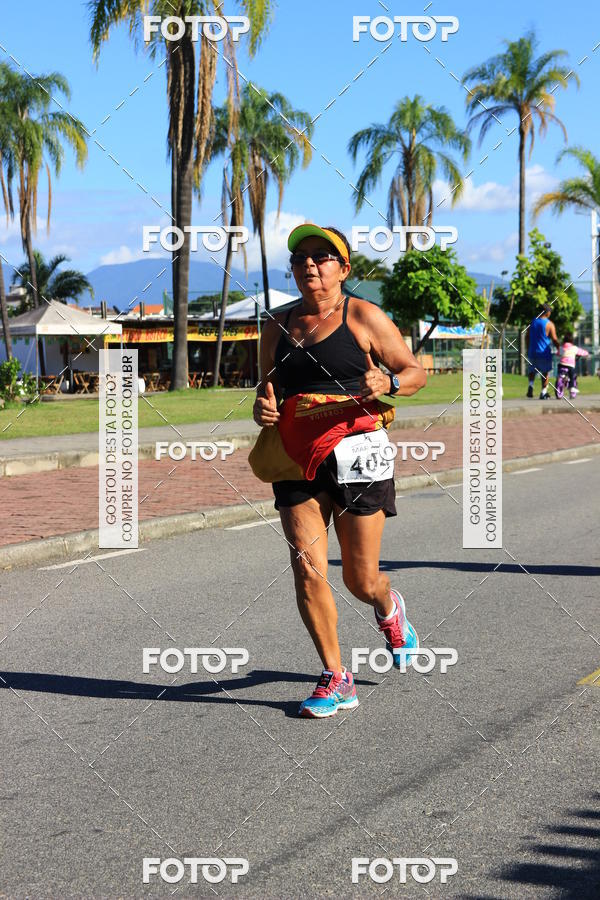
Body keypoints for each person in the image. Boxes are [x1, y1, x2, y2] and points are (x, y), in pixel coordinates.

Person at [252, 223, 427, 718]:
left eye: (322, 255)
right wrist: (263, 407)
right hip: (296, 456)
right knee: (307, 567)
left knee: (359, 579)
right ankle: (336, 676)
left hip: (358, 453)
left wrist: (389, 382)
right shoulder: (276, 326)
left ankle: (388, 606)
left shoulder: (363, 315)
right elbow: (266, 389)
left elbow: (415, 372)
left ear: (344, 268)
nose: (309, 263)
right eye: (300, 257)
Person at [526, 303, 559, 399]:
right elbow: (554, 339)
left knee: (532, 371)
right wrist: (559, 348)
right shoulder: (549, 324)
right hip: (544, 353)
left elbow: (527, 336)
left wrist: (528, 348)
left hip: (532, 352)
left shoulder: (532, 322)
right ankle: (543, 391)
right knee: (545, 372)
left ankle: (531, 386)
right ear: (547, 312)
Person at [556, 332, 589, 399]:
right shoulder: (574, 348)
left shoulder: (562, 347)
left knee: (560, 373)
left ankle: (561, 380)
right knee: (572, 376)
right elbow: (583, 352)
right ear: (572, 340)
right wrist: (586, 353)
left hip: (561, 365)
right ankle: (571, 387)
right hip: (569, 365)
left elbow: (558, 354)